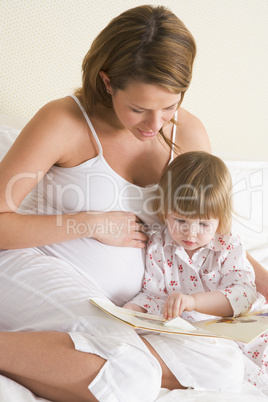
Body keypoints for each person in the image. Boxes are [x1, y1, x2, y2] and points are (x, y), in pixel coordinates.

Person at [0, 4, 265, 401]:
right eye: (138, 108)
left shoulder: (187, 133)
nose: (153, 125)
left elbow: (216, 234)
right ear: (107, 82)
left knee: (224, 365)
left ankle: (78, 355)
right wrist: (89, 223)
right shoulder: (64, 121)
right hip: (37, 266)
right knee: (131, 370)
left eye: (169, 107)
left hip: (130, 309)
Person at [124, 151, 268, 394]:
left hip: (242, 325)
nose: (190, 234)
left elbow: (243, 295)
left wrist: (193, 302)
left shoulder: (229, 246)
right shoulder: (159, 246)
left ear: (219, 221)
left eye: (203, 225)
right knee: (226, 368)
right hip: (199, 335)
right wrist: (130, 311)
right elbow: (153, 293)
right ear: (165, 212)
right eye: (180, 220)